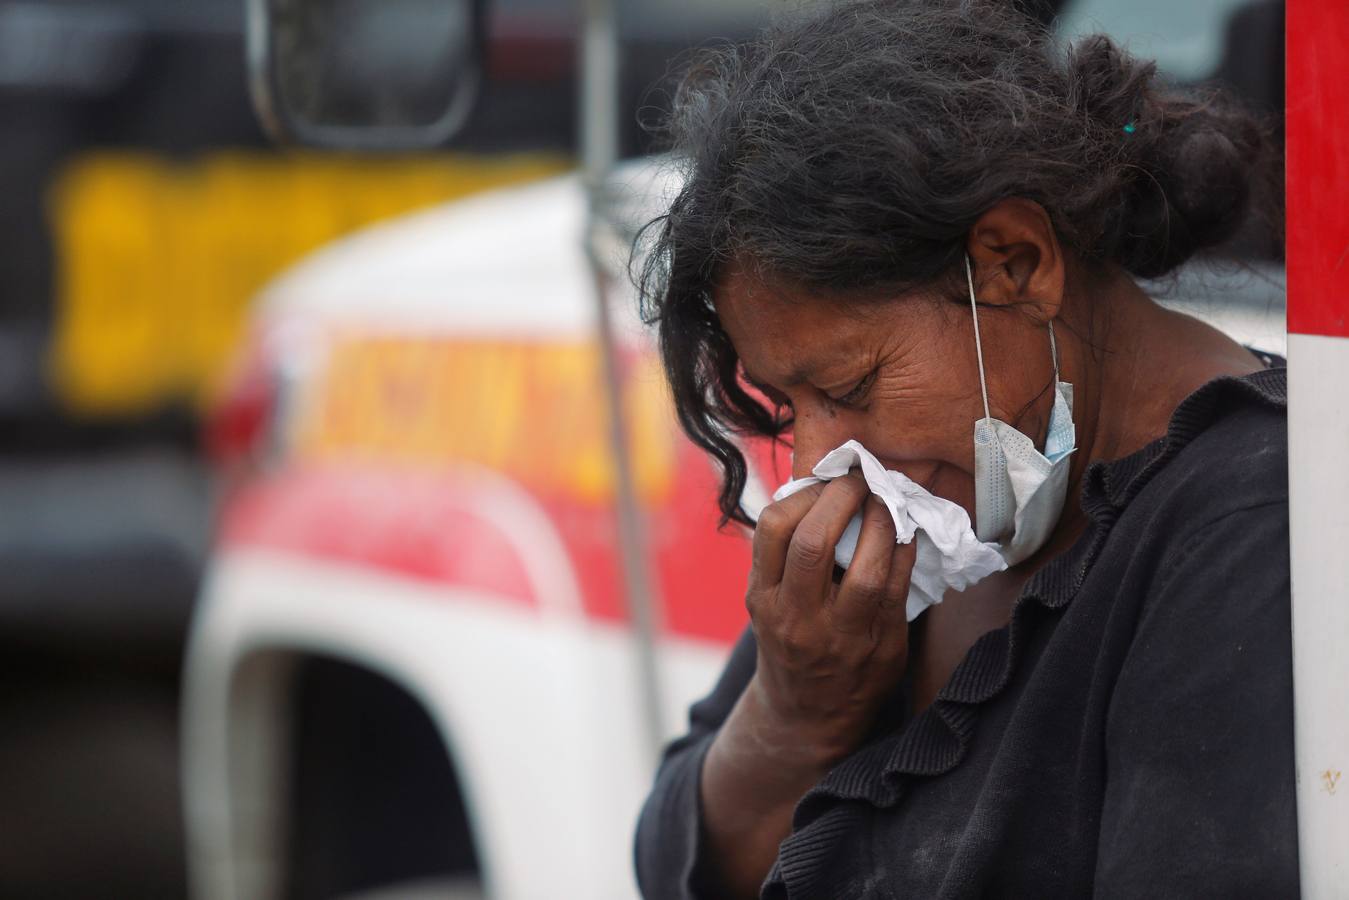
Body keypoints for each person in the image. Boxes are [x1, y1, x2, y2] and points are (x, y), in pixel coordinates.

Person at [632, 1, 1296, 897]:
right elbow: (680, 855)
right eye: (789, 404)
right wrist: (795, 712)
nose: (821, 459)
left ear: (1014, 263)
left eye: (849, 388)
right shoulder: (927, 534)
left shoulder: (1258, 522)